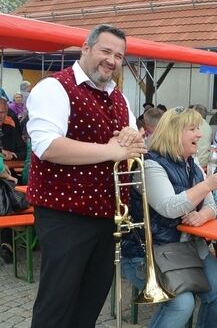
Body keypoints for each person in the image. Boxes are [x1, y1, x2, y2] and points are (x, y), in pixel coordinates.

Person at [25, 24, 148, 327]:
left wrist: (134, 142)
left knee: (89, 304)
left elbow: (129, 148)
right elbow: (48, 147)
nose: (112, 60)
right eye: (106, 51)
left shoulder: (120, 98)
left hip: (107, 216)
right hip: (64, 216)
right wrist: (111, 150)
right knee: (57, 305)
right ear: (86, 48)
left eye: (119, 56)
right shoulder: (53, 87)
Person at [121, 106, 217, 328]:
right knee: (181, 304)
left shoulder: (192, 164)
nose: (200, 134)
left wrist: (202, 216)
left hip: (186, 249)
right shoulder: (150, 165)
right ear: (174, 133)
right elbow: (169, 207)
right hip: (149, 253)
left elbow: (211, 205)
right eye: (192, 129)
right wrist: (207, 185)